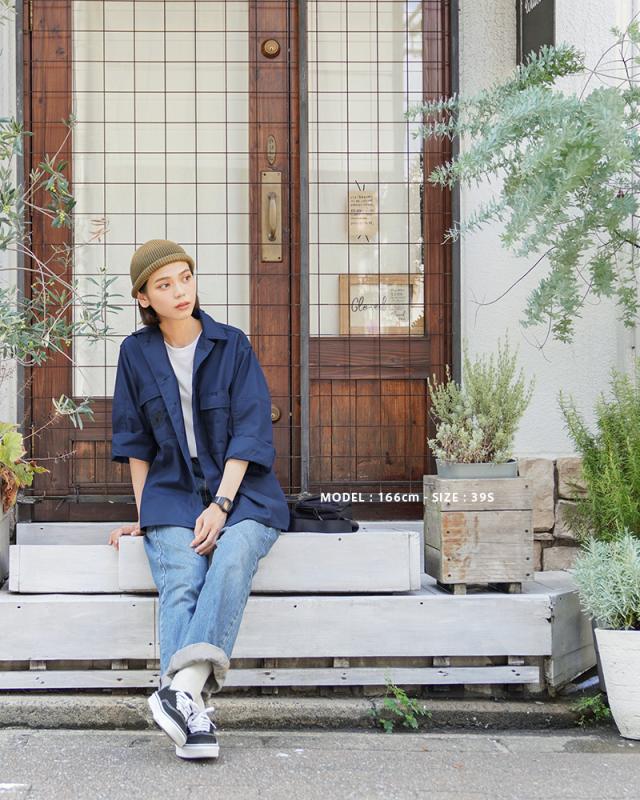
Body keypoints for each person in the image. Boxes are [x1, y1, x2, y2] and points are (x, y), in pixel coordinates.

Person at [107, 239, 290, 761]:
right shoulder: (135, 354)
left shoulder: (232, 345)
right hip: (170, 491)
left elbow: (250, 433)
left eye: (185, 278)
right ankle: (192, 713)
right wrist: (145, 517)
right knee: (183, 575)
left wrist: (222, 504)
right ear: (144, 298)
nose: (180, 291)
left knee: (234, 552)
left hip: (242, 491)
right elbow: (135, 444)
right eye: (164, 285)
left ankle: (181, 691)